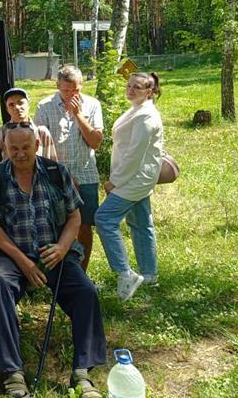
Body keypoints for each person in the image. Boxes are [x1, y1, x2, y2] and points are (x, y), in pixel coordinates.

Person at [0, 125, 106, 398]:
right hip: (12, 253)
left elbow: (75, 217)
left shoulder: (55, 172)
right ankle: (12, 371)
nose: (19, 153)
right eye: (13, 148)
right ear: (5, 148)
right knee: (0, 282)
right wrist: (22, 261)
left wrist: (62, 248)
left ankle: (83, 371)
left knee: (86, 292)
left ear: (36, 145)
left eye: (25, 147)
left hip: (54, 252)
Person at [95, 72, 164, 302]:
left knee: (104, 218)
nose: (131, 90)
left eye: (137, 87)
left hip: (134, 179)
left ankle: (125, 273)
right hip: (136, 177)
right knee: (141, 223)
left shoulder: (146, 117)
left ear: (149, 91)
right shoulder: (137, 109)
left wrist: (115, 181)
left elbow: (135, 154)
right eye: (129, 85)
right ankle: (150, 274)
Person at [34, 66, 103, 271]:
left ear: (81, 87)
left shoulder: (92, 104)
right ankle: (55, 272)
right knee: (56, 225)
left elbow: (95, 142)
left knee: (84, 225)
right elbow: (40, 147)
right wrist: (63, 176)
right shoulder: (45, 106)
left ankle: (81, 272)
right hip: (55, 176)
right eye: (66, 91)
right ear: (58, 87)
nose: (71, 95)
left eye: (76, 91)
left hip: (86, 173)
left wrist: (78, 115)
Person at [0, 87, 57, 166]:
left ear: (28, 105)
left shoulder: (41, 132)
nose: (16, 107)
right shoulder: (1, 134)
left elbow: (52, 165)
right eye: (11, 105)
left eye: (20, 103)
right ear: (7, 110)